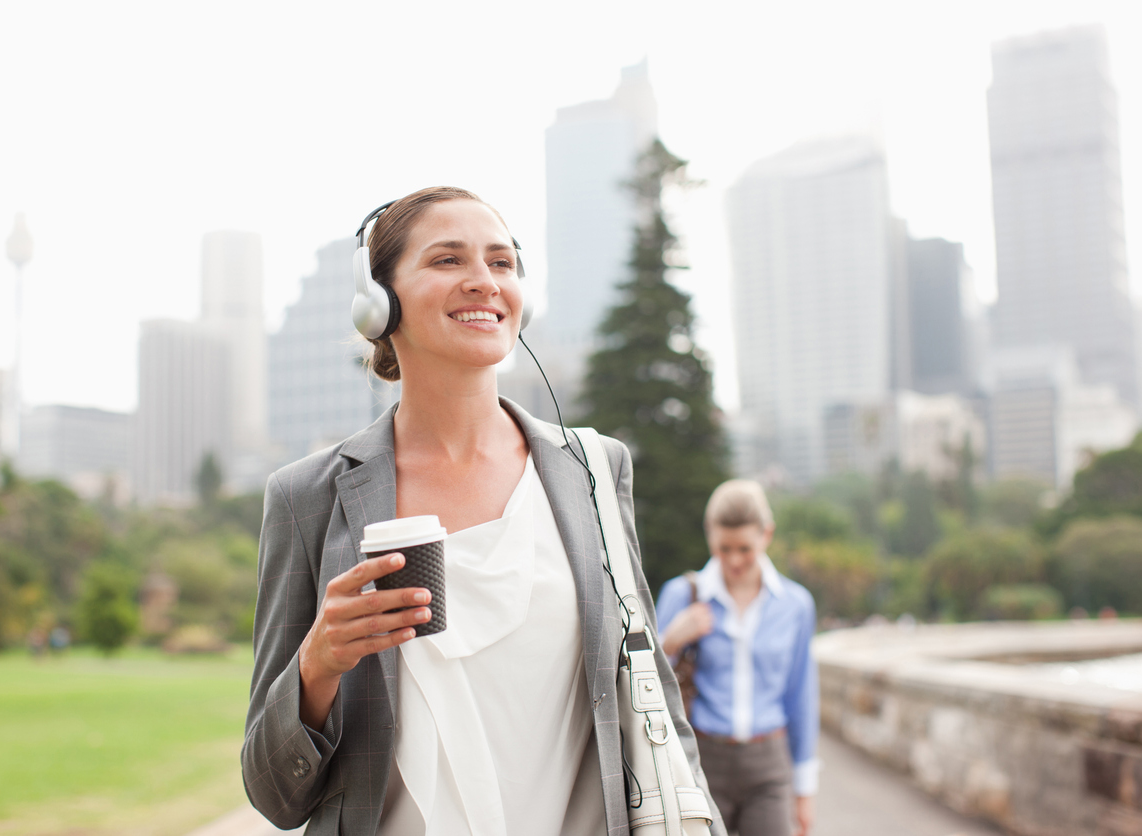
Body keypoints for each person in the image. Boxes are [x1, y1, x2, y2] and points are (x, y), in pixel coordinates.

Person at [240, 186, 725, 835]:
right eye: (447, 261)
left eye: (500, 263)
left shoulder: (592, 470)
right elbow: (273, 794)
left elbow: (653, 697)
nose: (483, 282)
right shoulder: (308, 497)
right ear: (379, 303)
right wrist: (319, 661)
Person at [655, 480, 818, 836]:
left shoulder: (796, 605)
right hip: (700, 761)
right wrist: (669, 641)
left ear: (767, 535)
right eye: (723, 547)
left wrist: (804, 789)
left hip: (769, 764)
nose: (733, 560)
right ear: (709, 534)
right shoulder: (681, 595)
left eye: (744, 548)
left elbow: (801, 695)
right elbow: (644, 687)